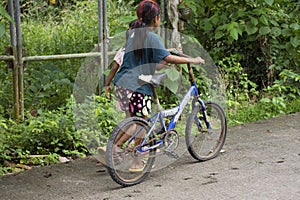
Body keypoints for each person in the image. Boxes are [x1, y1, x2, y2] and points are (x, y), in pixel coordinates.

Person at [103, 0, 205, 172]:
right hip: (137, 86)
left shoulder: (135, 33)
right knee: (140, 123)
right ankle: (126, 154)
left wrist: (166, 53)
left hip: (122, 84)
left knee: (130, 121)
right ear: (156, 18)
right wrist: (192, 60)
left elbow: (155, 63)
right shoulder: (151, 36)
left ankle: (114, 148)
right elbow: (168, 59)